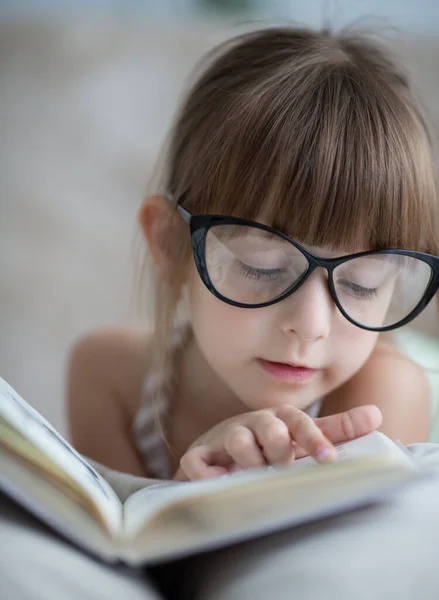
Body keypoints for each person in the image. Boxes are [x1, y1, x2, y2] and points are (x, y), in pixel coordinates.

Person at [67, 25, 439, 483]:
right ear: (169, 243)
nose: (310, 325)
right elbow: (113, 544)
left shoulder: (380, 399)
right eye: (262, 266)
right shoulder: (108, 376)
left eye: (362, 281)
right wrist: (185, 491)